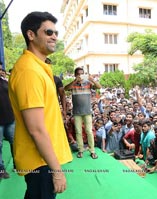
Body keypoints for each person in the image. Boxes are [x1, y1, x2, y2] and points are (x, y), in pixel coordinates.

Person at [8, 11, 72, 198]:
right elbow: (36, 128)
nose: (54, 37)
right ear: (31, 35)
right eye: (48, 32)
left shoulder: (37, 66)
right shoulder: (29, 70)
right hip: (41, 162)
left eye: (56, 33)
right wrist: (57, 171)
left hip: (43, 159)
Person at [64, 67, 101, 159]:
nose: (80, 75)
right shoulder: (73, 84)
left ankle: (92, 150)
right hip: (76, 112)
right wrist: (74, 81)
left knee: (89, 131)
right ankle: (80, 150)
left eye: (82, 73)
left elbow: (99, 87)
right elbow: (65, 88)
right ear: (75, 75)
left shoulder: (88, 83)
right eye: (78, 74)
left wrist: (91, 79)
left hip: (87, 111)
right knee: (78, 131)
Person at [0, 65, 15, 179]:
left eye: (2, 69)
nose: (1, 71)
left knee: (14, 142)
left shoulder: (6, 82)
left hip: (10, 119)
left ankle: (17, 164)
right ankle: (1, 169)